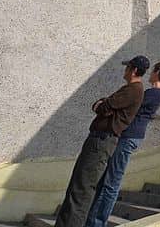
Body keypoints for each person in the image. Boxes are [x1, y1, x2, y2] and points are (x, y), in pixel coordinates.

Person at [53, 56, 147, 227]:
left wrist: (104, 105)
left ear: (134, 70)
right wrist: (104, 105)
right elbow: (102, 105)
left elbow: (103, 106)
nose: (125, 70)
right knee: (78, 185)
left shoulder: (133, 90)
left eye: (127, 67)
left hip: (102, 141)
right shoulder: (131, 89)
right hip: (100, 140)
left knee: (82, 188)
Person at [84, 60, 160, 227]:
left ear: (158, 73)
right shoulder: (153, 92)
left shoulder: (153, 93)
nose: (150, 74)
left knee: (112, 182)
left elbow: (128, 106)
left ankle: (97, 222)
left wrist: (106, 104)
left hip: (129, 137)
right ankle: (93, 220)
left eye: (153, 71)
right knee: (107, 179)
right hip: (128, 136)